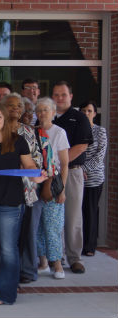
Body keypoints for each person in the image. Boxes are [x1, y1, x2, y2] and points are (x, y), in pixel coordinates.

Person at [0, 104, 46, 305]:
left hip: (10, 204)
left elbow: (28, 166)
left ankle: (6, 293)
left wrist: (37, 176)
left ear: (4, 120)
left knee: (8, 250)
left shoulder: (17, 141)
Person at [2, 93, 44, 284]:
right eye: (11, 106)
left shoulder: (29, 131)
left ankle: (24, 272)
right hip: (1, 190)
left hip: (26, 188)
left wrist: (24, 167)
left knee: (25, 232)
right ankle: (6, 272)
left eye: (19, 106)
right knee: (5, 234)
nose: (15, 109)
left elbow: (38, 158)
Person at [52, 81, 93, 274]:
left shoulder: (79, 118)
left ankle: (74, 258)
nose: (60, 98)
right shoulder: (48, 116)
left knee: (73, 215)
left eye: (63, 94)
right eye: (56, 94)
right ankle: (56, 256)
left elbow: (82, 146)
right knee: (53, 216)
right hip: (50, 174)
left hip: (72, 171)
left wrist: (60, 164)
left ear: (71, 96)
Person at [34, 97, 69, 279]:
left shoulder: (59, 132)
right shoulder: (33, 132)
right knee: (38, 225)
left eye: (45, 110)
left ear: (53, 112)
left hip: (53, 182)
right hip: (35, 182)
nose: (42, 114)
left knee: (53, 225)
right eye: (38, 110)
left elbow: (64, 164)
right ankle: (43, 262)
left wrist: (61, 189)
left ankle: (57, 265)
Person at [80, 101, 106, 257]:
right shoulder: (77, 130)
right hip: (77, 178)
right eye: (83, 111)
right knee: (79, 213)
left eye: (89, 111)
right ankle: (79, 244)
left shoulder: (100, 131)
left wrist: (82, 169)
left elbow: (99, 156)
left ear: (95, 114)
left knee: (90, 211)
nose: (86, 113)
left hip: (94, 178)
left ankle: (90, 246)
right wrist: (77, 171)